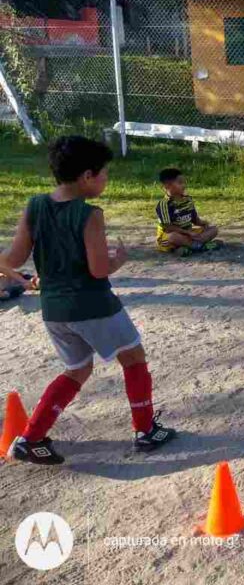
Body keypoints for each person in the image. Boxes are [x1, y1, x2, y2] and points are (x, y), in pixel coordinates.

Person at [0, 135, 175, 465]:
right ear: (86, 176)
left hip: (53, 310)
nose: (106, 180)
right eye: (104, 173)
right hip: (93, 304)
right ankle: (146, 430)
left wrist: (11, 269)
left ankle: (30, 438)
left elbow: (14, 257)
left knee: (76, 369)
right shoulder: (89, 214)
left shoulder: (35, 205)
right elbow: (97, 270)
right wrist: (118, 261)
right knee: (134, 359)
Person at [155, 167, 222, 256]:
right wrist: (188, 233)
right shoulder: (164, 204)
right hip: (169, 237)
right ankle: (201, 246)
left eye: (184, 182)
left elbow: (195, 219)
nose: (184, 185)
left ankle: (188, 247)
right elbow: (168, 227)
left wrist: (203, 224)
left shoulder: (188, 200)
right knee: (173, 237)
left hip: (188, 234)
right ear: (167, 185)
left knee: (214, 229)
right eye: (180, 183)